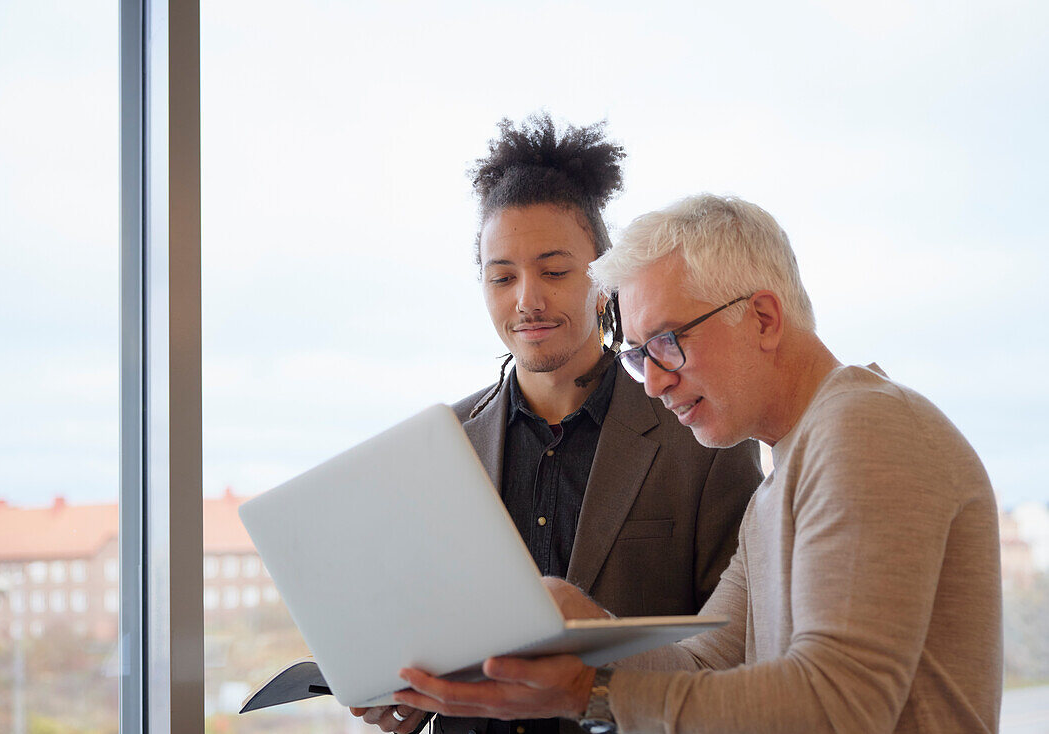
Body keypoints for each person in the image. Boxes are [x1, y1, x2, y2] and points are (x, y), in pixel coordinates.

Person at [393, 194, 1004, 733]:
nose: (653, 383)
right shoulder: (781, 480)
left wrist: (592, 690)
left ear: (763, 318)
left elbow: (837, 707)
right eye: (637, 354)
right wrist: (588, 630)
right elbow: (704, 662)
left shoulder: (864, 429)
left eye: (667, 342)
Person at [352, 120, 763, 734]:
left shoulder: (699, 430)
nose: (527, 299)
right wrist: (410, 696)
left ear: (604, 280)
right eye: (502, 277)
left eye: (553, 270)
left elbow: (740, 657)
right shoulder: (442, 447)